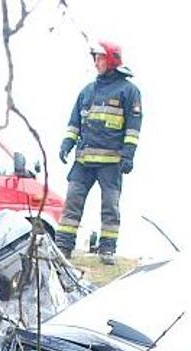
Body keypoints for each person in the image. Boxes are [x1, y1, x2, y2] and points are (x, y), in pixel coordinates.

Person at [57, 40, 142, 266]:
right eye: (95, 58)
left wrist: (128, 155)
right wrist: (67, 143)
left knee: (110, 207)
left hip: (111, 162)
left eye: (100, 58)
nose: (96, 62)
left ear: (112, 59)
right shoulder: (87, 91)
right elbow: (74, 122)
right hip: (83, 160)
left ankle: (107, 250)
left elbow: (133, 128)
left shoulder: (129, 91)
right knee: (72, 202)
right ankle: (63, 247)